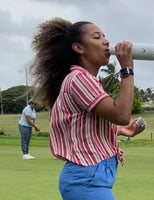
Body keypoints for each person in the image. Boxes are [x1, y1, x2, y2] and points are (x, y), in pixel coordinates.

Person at [30, 17, 145, 200]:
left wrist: (121, 130)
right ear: (79, 48)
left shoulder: (86, 80)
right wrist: (127, 70)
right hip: (86, 181)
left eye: (105, 36)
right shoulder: (78, 79)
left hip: (88, 179)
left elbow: (84, 127)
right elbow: (121, 114)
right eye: (97, 37)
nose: (106, 41)